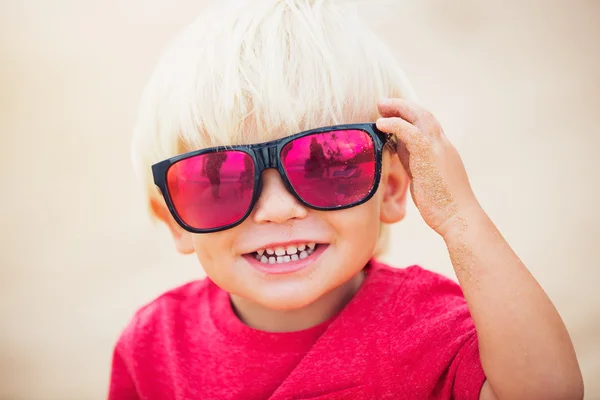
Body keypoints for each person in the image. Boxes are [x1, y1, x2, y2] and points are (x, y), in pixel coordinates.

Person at [110, 0, 584, 399]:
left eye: (326, 165)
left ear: (393, 188)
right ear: (173, 218)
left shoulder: (430, 327)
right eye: (218, 182)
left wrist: (460, 221)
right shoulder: (153, 345)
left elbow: (549, 389)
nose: (278, 211)